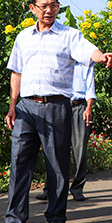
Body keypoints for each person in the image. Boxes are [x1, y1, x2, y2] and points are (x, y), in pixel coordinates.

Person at [0, 0, 112, 223]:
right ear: (32, 8)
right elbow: (16, 72)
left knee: (57, 162)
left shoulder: (69, 35)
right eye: (44, 6)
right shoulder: (23, 37)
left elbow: (88, 51)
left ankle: (56, 216)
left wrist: (100, 57)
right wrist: (12, 106)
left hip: (56, 105)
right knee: (19, 162)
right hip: (25, 107)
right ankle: (15, 220)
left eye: (54, 5)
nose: (49, 10)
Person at [35, 62, 96, 201]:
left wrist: (89, 108)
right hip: (59, 105)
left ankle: (77, 188)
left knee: (79, 149)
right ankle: (50, 188)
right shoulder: (59, 59)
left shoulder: (86, 61)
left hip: (79, 106)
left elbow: (90, 86)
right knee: (54, 147)